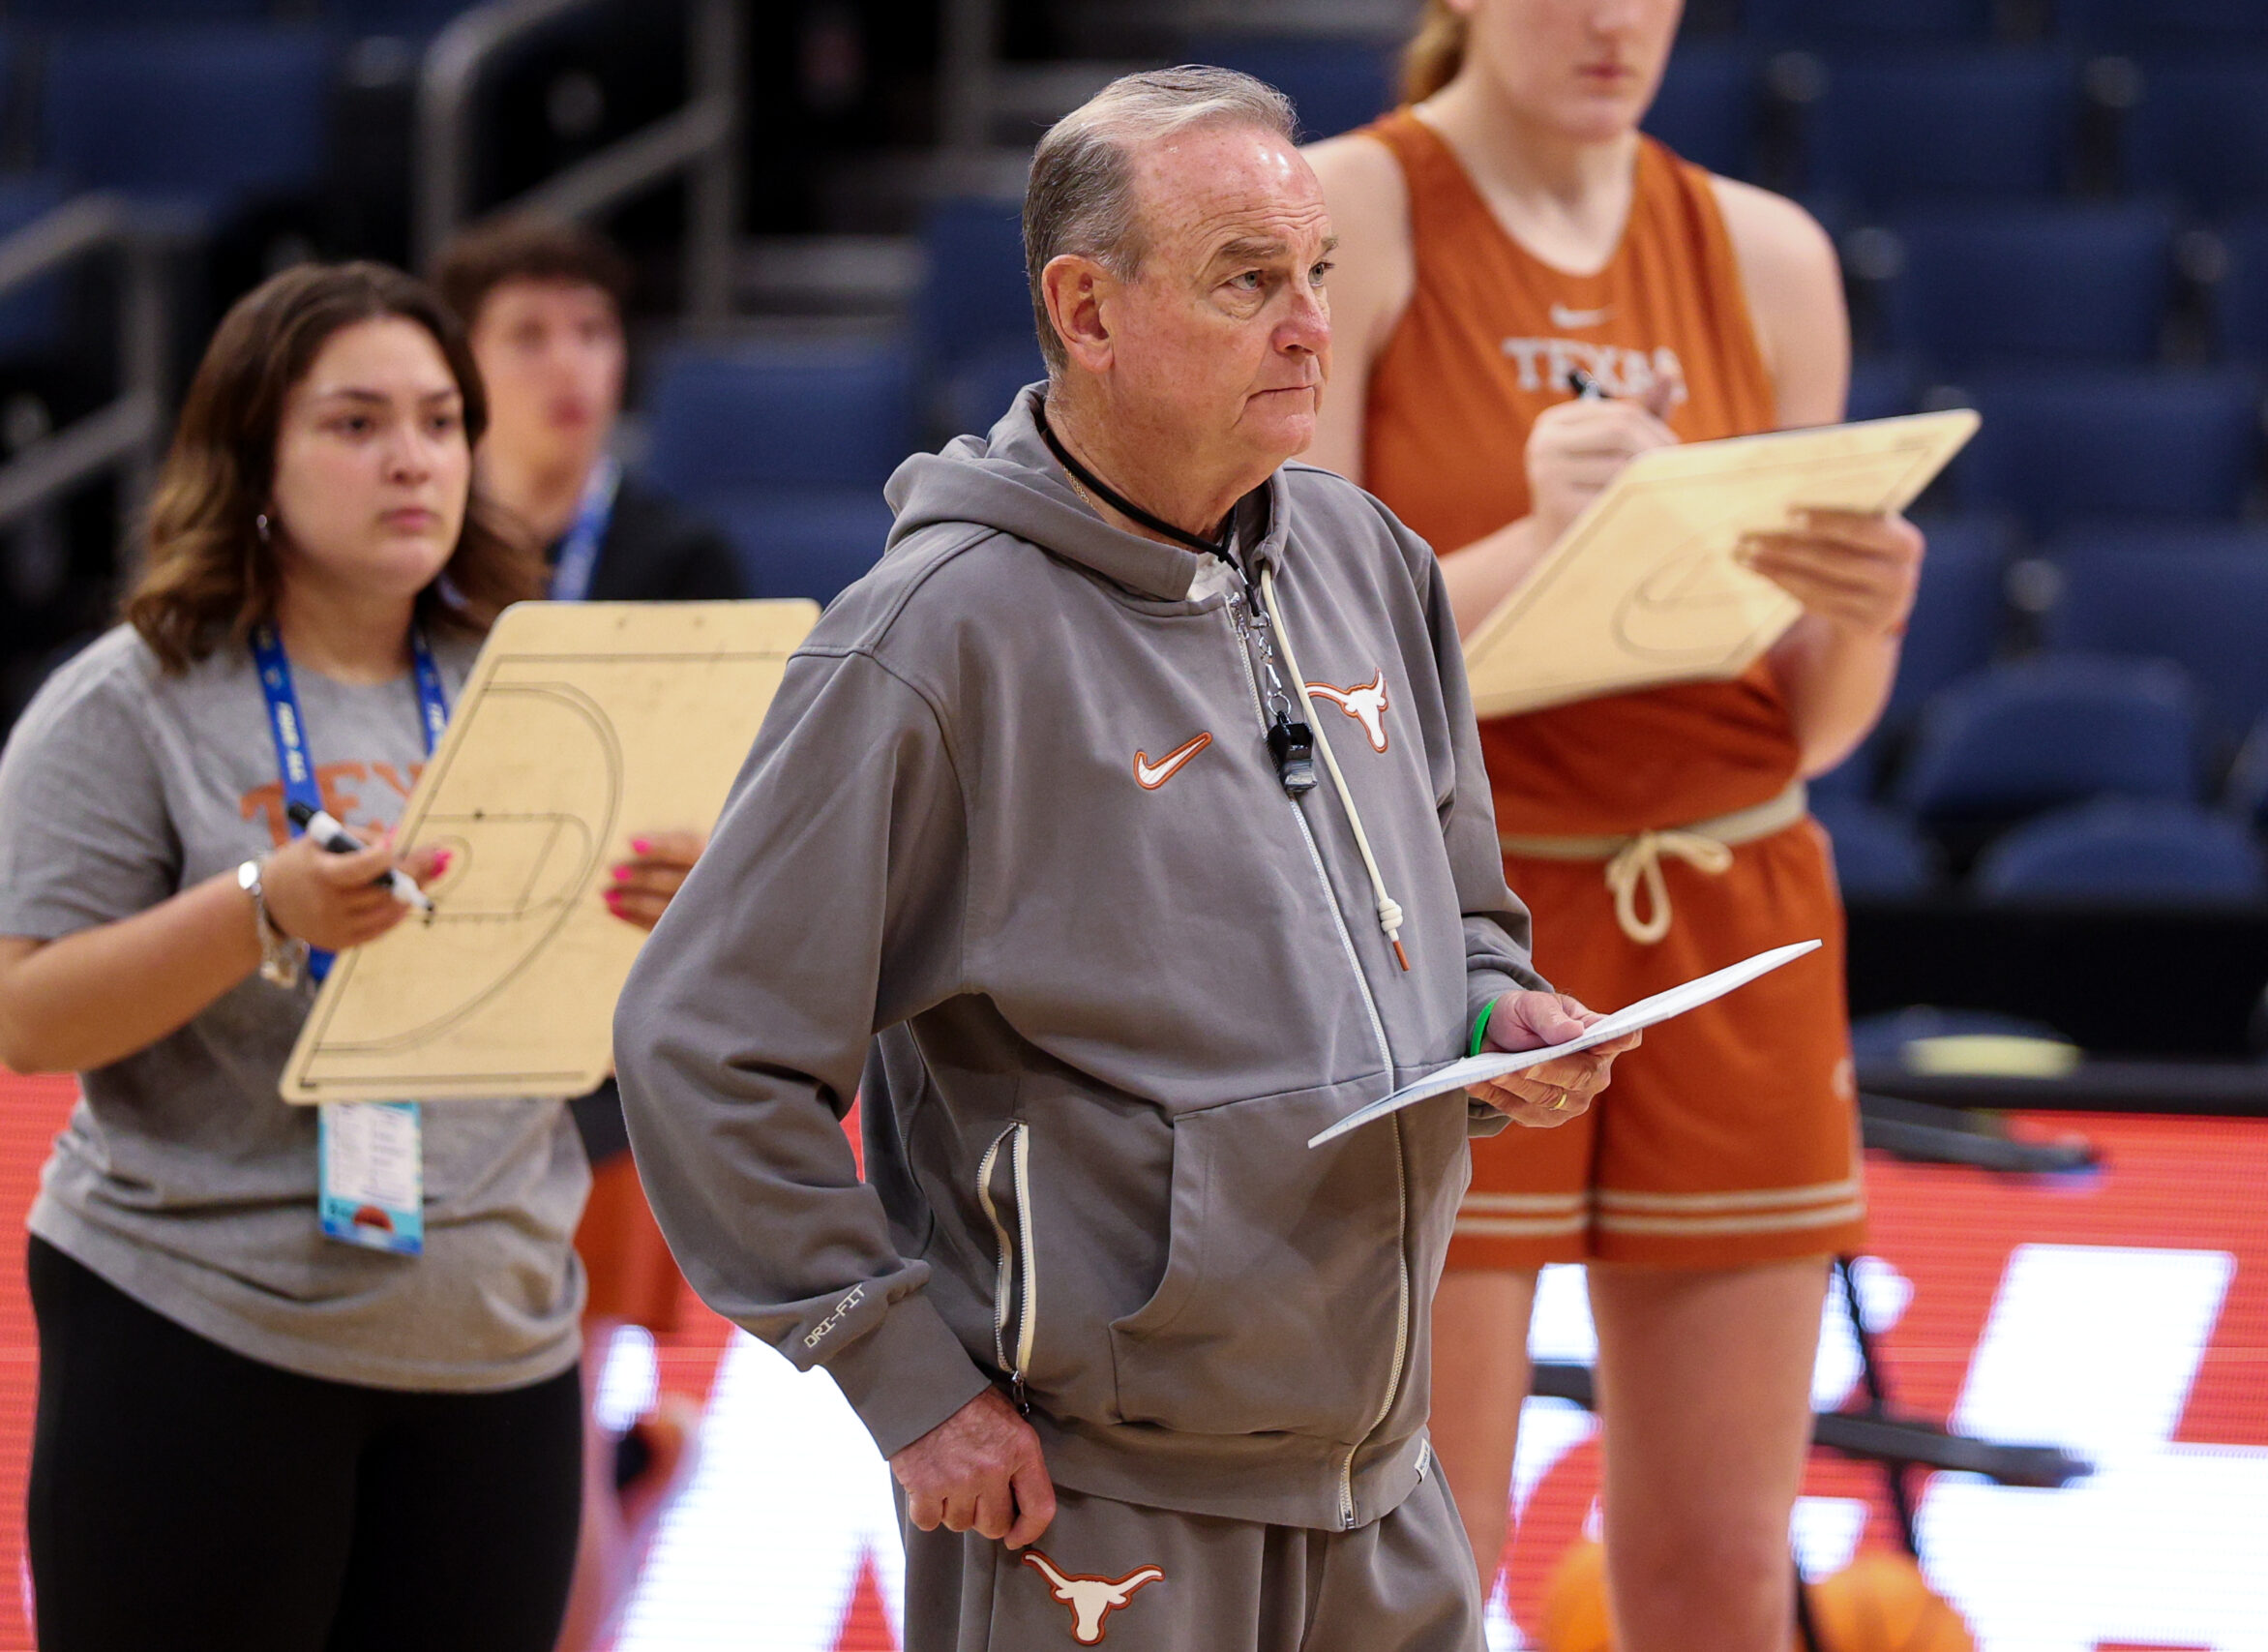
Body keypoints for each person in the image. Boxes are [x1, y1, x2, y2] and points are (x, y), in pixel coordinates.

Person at [615, 66, 1638, 1652]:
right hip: (1088, 1498)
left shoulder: (1373, 559)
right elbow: (702, 1049)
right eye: (1248, 281)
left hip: (1383, 1470)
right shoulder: (934, 637)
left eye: (1317, 276)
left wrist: (1500, 1018)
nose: (1308, 324)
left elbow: (1468, 920)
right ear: (1085, 311)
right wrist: (903, 1385)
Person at [1304, 5, 1926, 1648]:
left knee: (1723, 1573)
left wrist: (1865, 612)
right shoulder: (1345, 214)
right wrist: (1534, 543)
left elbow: (1806, 722)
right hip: (1452, 919)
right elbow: (1283, 655)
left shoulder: (1767, 252)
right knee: (1427, 1553)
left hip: (1732, 893)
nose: (1609, 20)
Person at [0, 261, 583, 1651]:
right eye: (356, 424)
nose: (412, 461)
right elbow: (27, 1016)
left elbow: (611, 1009)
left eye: (443, 423)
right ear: (251, 458)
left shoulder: (544, 682)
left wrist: (668, 911)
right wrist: (263, 905)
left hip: (495, 1334)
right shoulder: (128, 700)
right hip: (201, 1324)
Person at [434, 213, 742, 1651]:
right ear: (461, 367)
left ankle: (604, 1563)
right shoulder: (400, 551)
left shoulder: (686, 553)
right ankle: (638, 1490)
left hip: (611, 1070)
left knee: (553, 1402)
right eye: (530, 332)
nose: (571, 364)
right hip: (428, 1050)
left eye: (594, 330)